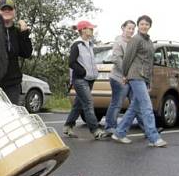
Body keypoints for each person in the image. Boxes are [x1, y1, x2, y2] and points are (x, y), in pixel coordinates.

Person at [112, 15, 167, 147]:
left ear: (149, 26)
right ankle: (154, 138)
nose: (144, 26)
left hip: (144, 77)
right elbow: (127, 59)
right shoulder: (135, 39)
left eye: (146, 24)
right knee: (147, 107)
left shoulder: (148, 41)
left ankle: (119, 133)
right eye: (141, 24)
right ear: (138, 25)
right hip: (135, 75)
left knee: (135, 107)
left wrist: (149, 80)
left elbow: (149, 62)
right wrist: (125, 74)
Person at [63, 20, 108, 140]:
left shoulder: (90, 44)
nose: (92, 30)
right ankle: (95, 130)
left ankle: (68, 126)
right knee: (88, 104)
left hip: (90, 79)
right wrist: (82, 71)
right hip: (80, 79)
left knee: (78, 105)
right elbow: (71, 62)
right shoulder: (76, 45)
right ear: (83, 30)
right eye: (90, 28)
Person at [104, 20, 144, 134]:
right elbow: (116, 59)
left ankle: (148, 129)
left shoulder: (133, 41)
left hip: (132, 78)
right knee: (116, 104)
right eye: (129, 28)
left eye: (133, 29)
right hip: (119, 78)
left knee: (137, 103)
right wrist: (126, 73)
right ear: (123, 28)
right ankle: (110, 127)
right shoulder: (119, 41)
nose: (131, 31)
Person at [0, 0, 33, 104]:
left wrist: (24, 33)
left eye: (10, 9)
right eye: (3, 9)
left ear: (14, 11)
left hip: (13, 82)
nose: (7, 11)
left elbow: (26, 53)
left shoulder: (18, 32)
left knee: (11, 112)